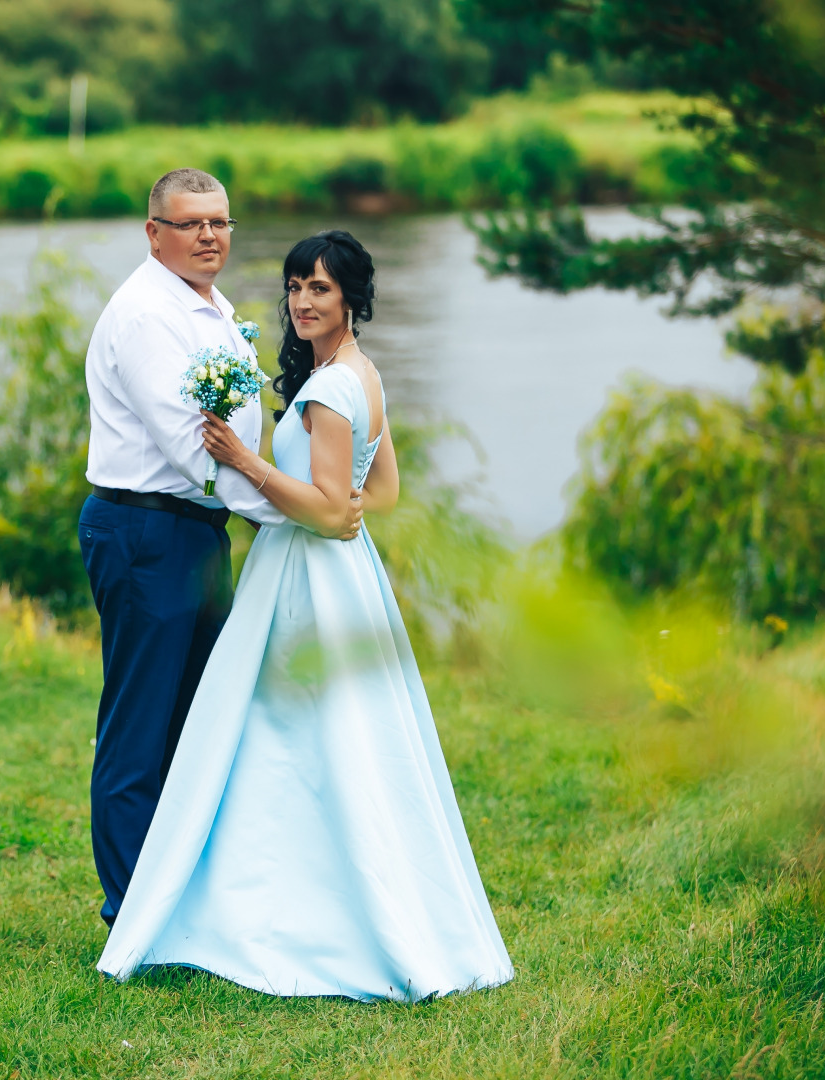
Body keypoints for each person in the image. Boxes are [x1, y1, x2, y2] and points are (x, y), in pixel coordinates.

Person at [96, 230, 514, 1001]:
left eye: (319, 289)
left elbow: (328, 511)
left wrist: (246, 462)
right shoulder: (362, 376)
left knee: (282, 735)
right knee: (326, 737)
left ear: (352, 296)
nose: (300, 302)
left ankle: (284, 911)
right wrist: (336, 506)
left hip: (305, 578)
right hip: (345, 577)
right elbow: (378, 494)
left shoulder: (326, 391)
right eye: (293, 287)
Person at [79, 170, 364, 928]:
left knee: (195, 717)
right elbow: (193, 451)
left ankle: (182, 890)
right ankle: (132, 909)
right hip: (144, 528)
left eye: (221, 222)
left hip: (195, 533)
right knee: (141, 725)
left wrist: (287, 501)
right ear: (154, 233)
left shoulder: (211, 309)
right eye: (191, 223)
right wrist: (292, 516)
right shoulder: (147, 317)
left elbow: (235, 440)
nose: (210, 236)